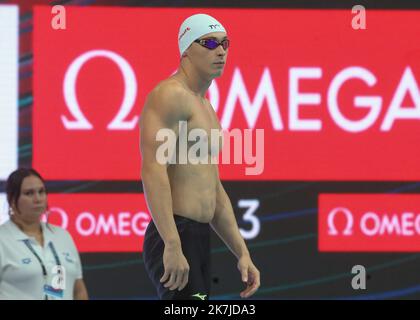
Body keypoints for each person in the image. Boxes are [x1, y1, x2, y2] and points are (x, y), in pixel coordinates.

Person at [140, 13, 260, 300]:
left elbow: (214, 190)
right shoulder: (170, 95)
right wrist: (171, 242)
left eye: (225, 43)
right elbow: (153, 170)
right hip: (175, 232)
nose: (220, 50)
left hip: (197, 236)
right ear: (185, 50)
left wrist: (242, 251)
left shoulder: (205, 106)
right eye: (208, 43)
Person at [0, 168, 88, 300]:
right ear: (12, 200)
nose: (38, 199)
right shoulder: (3, 239)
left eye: (41, 192)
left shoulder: (63, 236)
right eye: (29, 193)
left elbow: (78, 291)